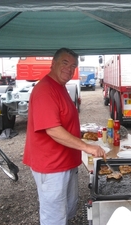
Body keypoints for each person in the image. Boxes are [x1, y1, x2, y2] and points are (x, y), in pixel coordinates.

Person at [23, 48, 106, 225]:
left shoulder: (60, 87)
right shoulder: (45, 90)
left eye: (74, 65)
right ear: (52, 64)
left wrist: (81, 133)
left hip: (65, 162)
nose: (70, 68)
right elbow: (52, 129)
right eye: (65, 63)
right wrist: (88, 147)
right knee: (54, 217)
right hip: (51, 166)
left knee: (67, 209)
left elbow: (63, 121)